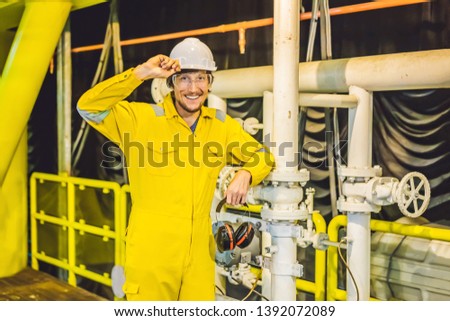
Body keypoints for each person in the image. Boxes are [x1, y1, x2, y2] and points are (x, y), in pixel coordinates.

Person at [77, 37, 274, 300]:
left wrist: (247, 173)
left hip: (199, 262)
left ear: (210, 83)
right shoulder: (140, 120)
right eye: (184, 79)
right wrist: (141, 73)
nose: (193, 88)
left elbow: (263, 155)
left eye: (201, 78)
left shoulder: (221, 126)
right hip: (152, 257)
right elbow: (88, 107)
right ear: (171, 82)